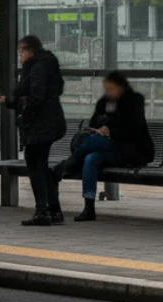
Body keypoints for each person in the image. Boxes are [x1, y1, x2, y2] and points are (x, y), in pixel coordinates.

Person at [57, 72, 154, 222]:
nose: (108, 93)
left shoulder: (134, 101)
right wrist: (101, 127)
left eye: (111, 89)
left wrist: (110, 132)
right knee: (90, 158)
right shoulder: (105, 102)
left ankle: (68, 165)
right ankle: (89, 207)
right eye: (106, 89)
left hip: (132, 151)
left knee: (93, 142)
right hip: (110, 149)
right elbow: (93, 122)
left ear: (121, 87)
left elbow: (134, 129)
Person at [0, 35, 66, 226]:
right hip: (48, 123)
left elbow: (35, 96)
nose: (20, 56)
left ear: (29, 50)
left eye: (21, 51)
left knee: (36, 167)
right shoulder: (47, 63)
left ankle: (42, 211)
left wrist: (25, 114)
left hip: (39, 125)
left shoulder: (37, 67)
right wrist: (8, 102)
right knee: (41, 166)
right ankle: (54, 210)